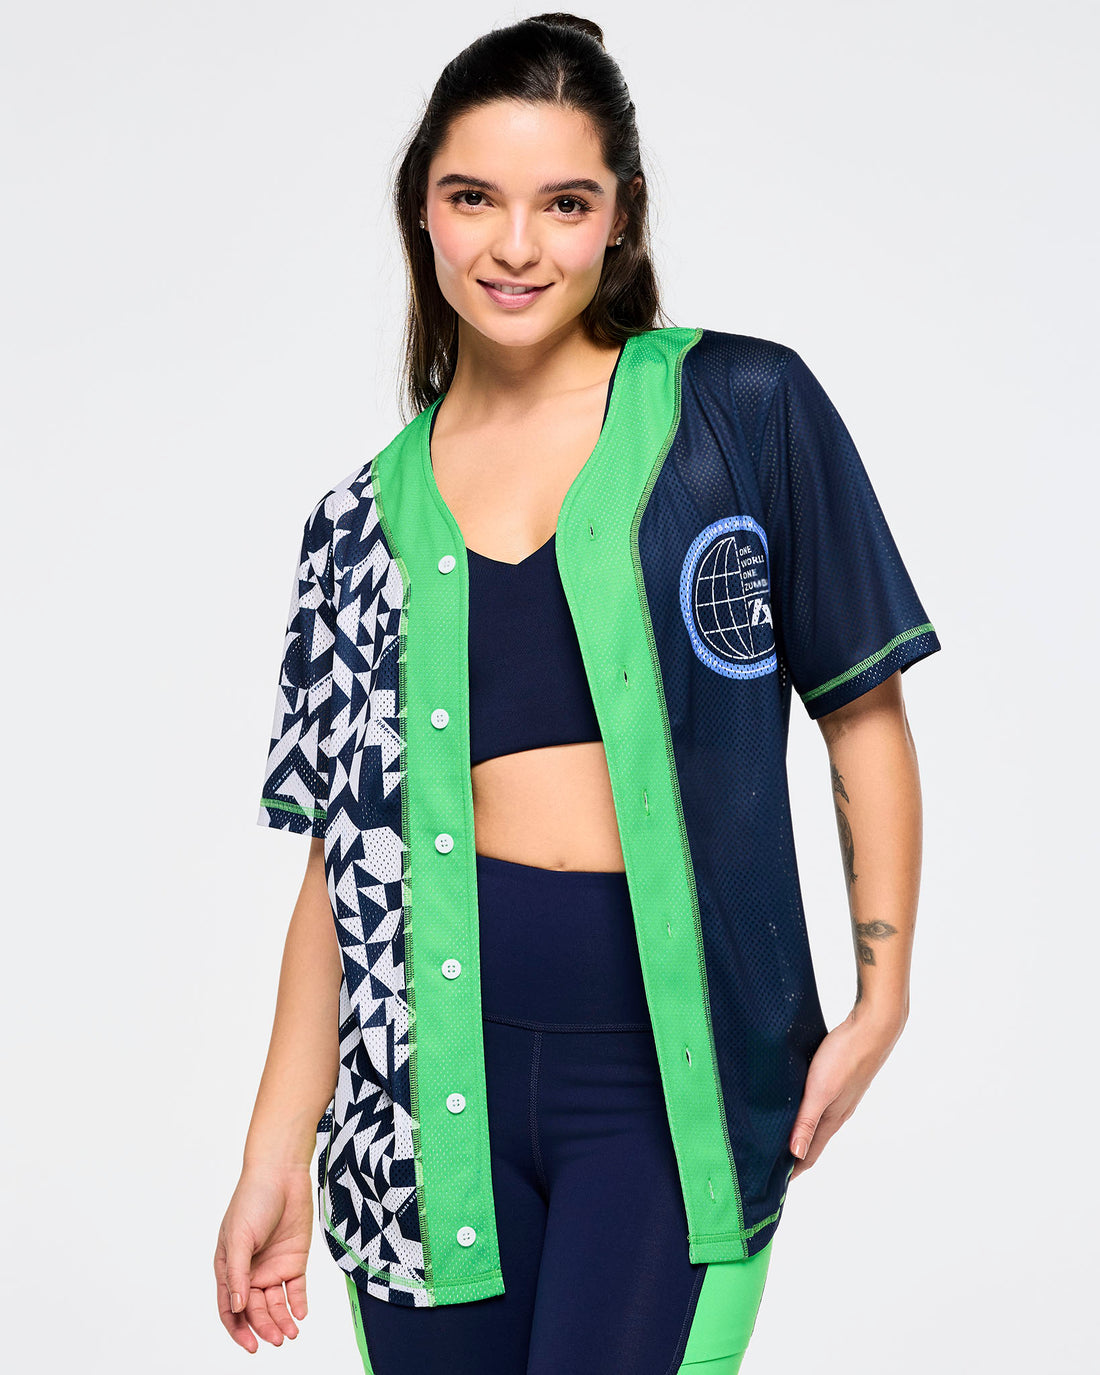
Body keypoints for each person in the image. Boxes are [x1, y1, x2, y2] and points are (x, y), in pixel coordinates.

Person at [214, 14, 941, 1374]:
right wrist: (273, 1153)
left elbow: (862, 709)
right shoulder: (357, 522)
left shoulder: (741, 409)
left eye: (564, 202)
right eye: (473, 197)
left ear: (621, 217)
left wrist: (882, 995)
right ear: (421, 210)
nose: (516, 245)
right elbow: (343, 865)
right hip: (422, 1108)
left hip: (668, 1089)